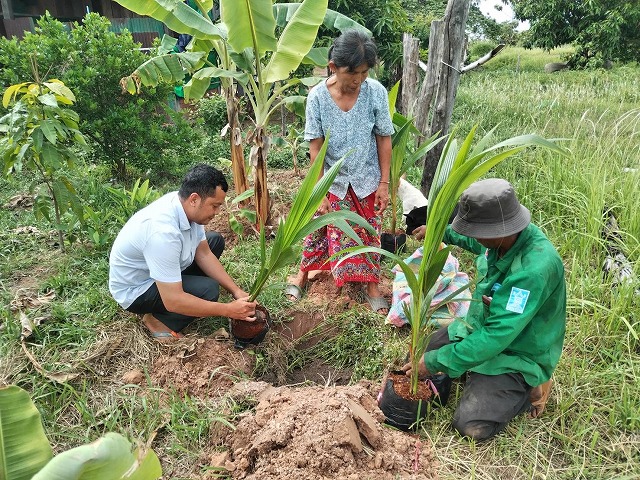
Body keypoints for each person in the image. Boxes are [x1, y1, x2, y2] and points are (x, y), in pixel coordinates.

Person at [405, 178, 566, 440]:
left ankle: (530, 389)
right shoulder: (503, 237)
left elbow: (496, 337)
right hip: (478, 328)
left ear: (497, 231)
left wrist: (436, 362)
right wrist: (437, 231)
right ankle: (469, 368)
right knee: (425, 348)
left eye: (476, 231)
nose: (473, 236)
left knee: (471, 425)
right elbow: (473, 242)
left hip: (516, 351)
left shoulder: (532, 271)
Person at [284, 29, 394, 314]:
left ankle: (372, 286)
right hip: (332, 181)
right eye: (352, 73)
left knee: (370, 232)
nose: (358, 79)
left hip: (366, 177)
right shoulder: (317, 97)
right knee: (319, 229)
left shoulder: (376, 93)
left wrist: (384, 182)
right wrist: (319, 191)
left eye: (364, 72)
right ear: (333, 67)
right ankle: (304, 274)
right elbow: (316, 148)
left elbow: (384, 137)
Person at [109, 164, 256, 341]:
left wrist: (236, 290)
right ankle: (157, 321)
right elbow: (173, 299)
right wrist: (227, 310)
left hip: (160, 268)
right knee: (208, 290)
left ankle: (178, 285)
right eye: (214, 206)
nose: (218, 212)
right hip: (137, 289)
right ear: (194, 199)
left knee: (214, 241)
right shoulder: (162, 232)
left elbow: (204, 254)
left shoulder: (185, 206)